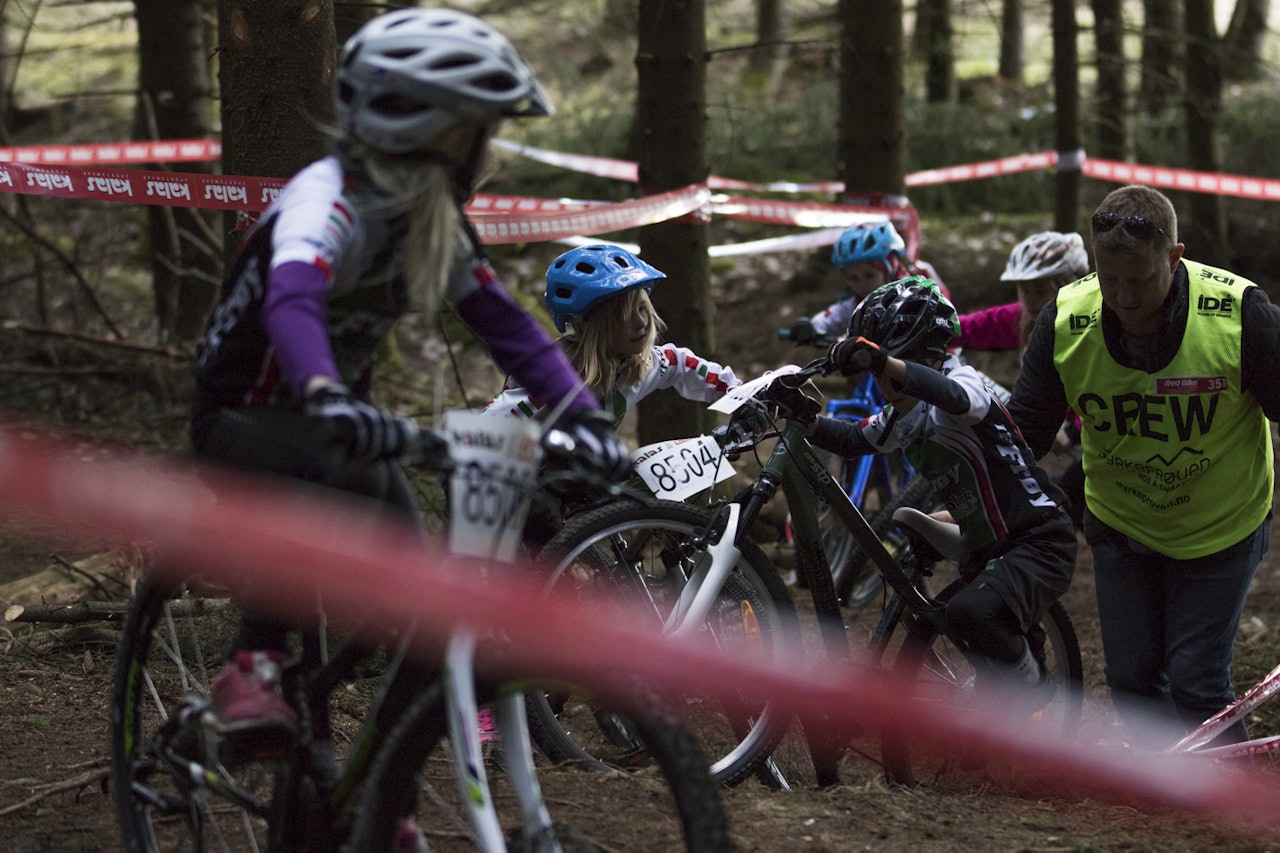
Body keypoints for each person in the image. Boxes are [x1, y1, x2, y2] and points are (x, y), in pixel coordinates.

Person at [188, 8, 628, 750]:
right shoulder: (323, 198)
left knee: (416, 604)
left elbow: (510, 328)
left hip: (342, 432)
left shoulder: (433, 219)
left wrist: (584, 416)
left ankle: (381, 801)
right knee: (305, 491)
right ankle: (252, 667)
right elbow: (292, 295)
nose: (488, 152)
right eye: (477, 132)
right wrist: (324, 389)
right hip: (245, 415)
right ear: (426, 135)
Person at [1008, 184, 1280, 747]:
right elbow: (1022, 434)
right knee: (1131, 683)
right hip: (1123, 523)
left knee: (1197, 682)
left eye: (1141, 281)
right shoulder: (1064, 321)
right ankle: (1165, 803)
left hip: (1222, 526)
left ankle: (1235, 810)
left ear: (1175, 257)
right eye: (1110, 282)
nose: (1125, 299)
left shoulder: (1238, 314)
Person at [792, 277, 1077, 695]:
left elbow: (954, 398)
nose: (884, 387)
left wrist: (883, 361)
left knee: (970, 612)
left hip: (1037, 538)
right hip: (986, 548)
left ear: (925, 357)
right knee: (967, 631)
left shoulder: (965, 384)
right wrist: (803, 417)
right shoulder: (905, 414)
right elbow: (853, 439)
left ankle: (1037, 691)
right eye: (877, 377)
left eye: (889, 373)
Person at [485, 243, 742, 426]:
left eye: (642, 309)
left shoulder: (640, 361)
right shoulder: (554, 380)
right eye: (624, 316)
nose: (641, 323)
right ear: (592, 328)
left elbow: (682, 364)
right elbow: (489, 423)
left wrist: (742, 395)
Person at [954, 230, 1091, 528]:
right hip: (1047, 428)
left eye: (1040, 291)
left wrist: (1073, 427)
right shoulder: (1023, 317)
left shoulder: (1090, 329)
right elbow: (975, 325)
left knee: (1066, 502)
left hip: (1093, 435)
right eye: (1023, 290)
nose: (1030, 299)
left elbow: (1101, 390)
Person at [786, 220, 945, 345]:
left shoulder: (916, 291)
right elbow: (835, 316)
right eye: (853, 278)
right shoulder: (857, 302)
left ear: (889, 270)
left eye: (869, 275)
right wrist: (811, 326)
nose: (862, 285)